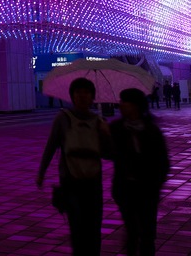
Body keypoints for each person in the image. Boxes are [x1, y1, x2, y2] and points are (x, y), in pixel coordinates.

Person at [37, 78, 111, 255]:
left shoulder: (99, 121)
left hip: (93, 181)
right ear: (72, 96)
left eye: (86, 92)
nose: (82, 96)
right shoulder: (63, 119)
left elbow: (109, 154)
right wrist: (41, 172)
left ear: (92, 96)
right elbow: (51, 146)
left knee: (93, 227)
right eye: (78, 92)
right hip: (70, 181)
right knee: (77, 227)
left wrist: (107, 135)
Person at [110, 88, 169, 256]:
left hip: (148, 189)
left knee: (148, 233)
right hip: (125, 189)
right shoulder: (116, 129)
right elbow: (107, 153)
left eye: (124, 101)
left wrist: (156, 184)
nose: (120, 104)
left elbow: (163, 161)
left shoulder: (151, 130)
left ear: (135, 105)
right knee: (132, 231)